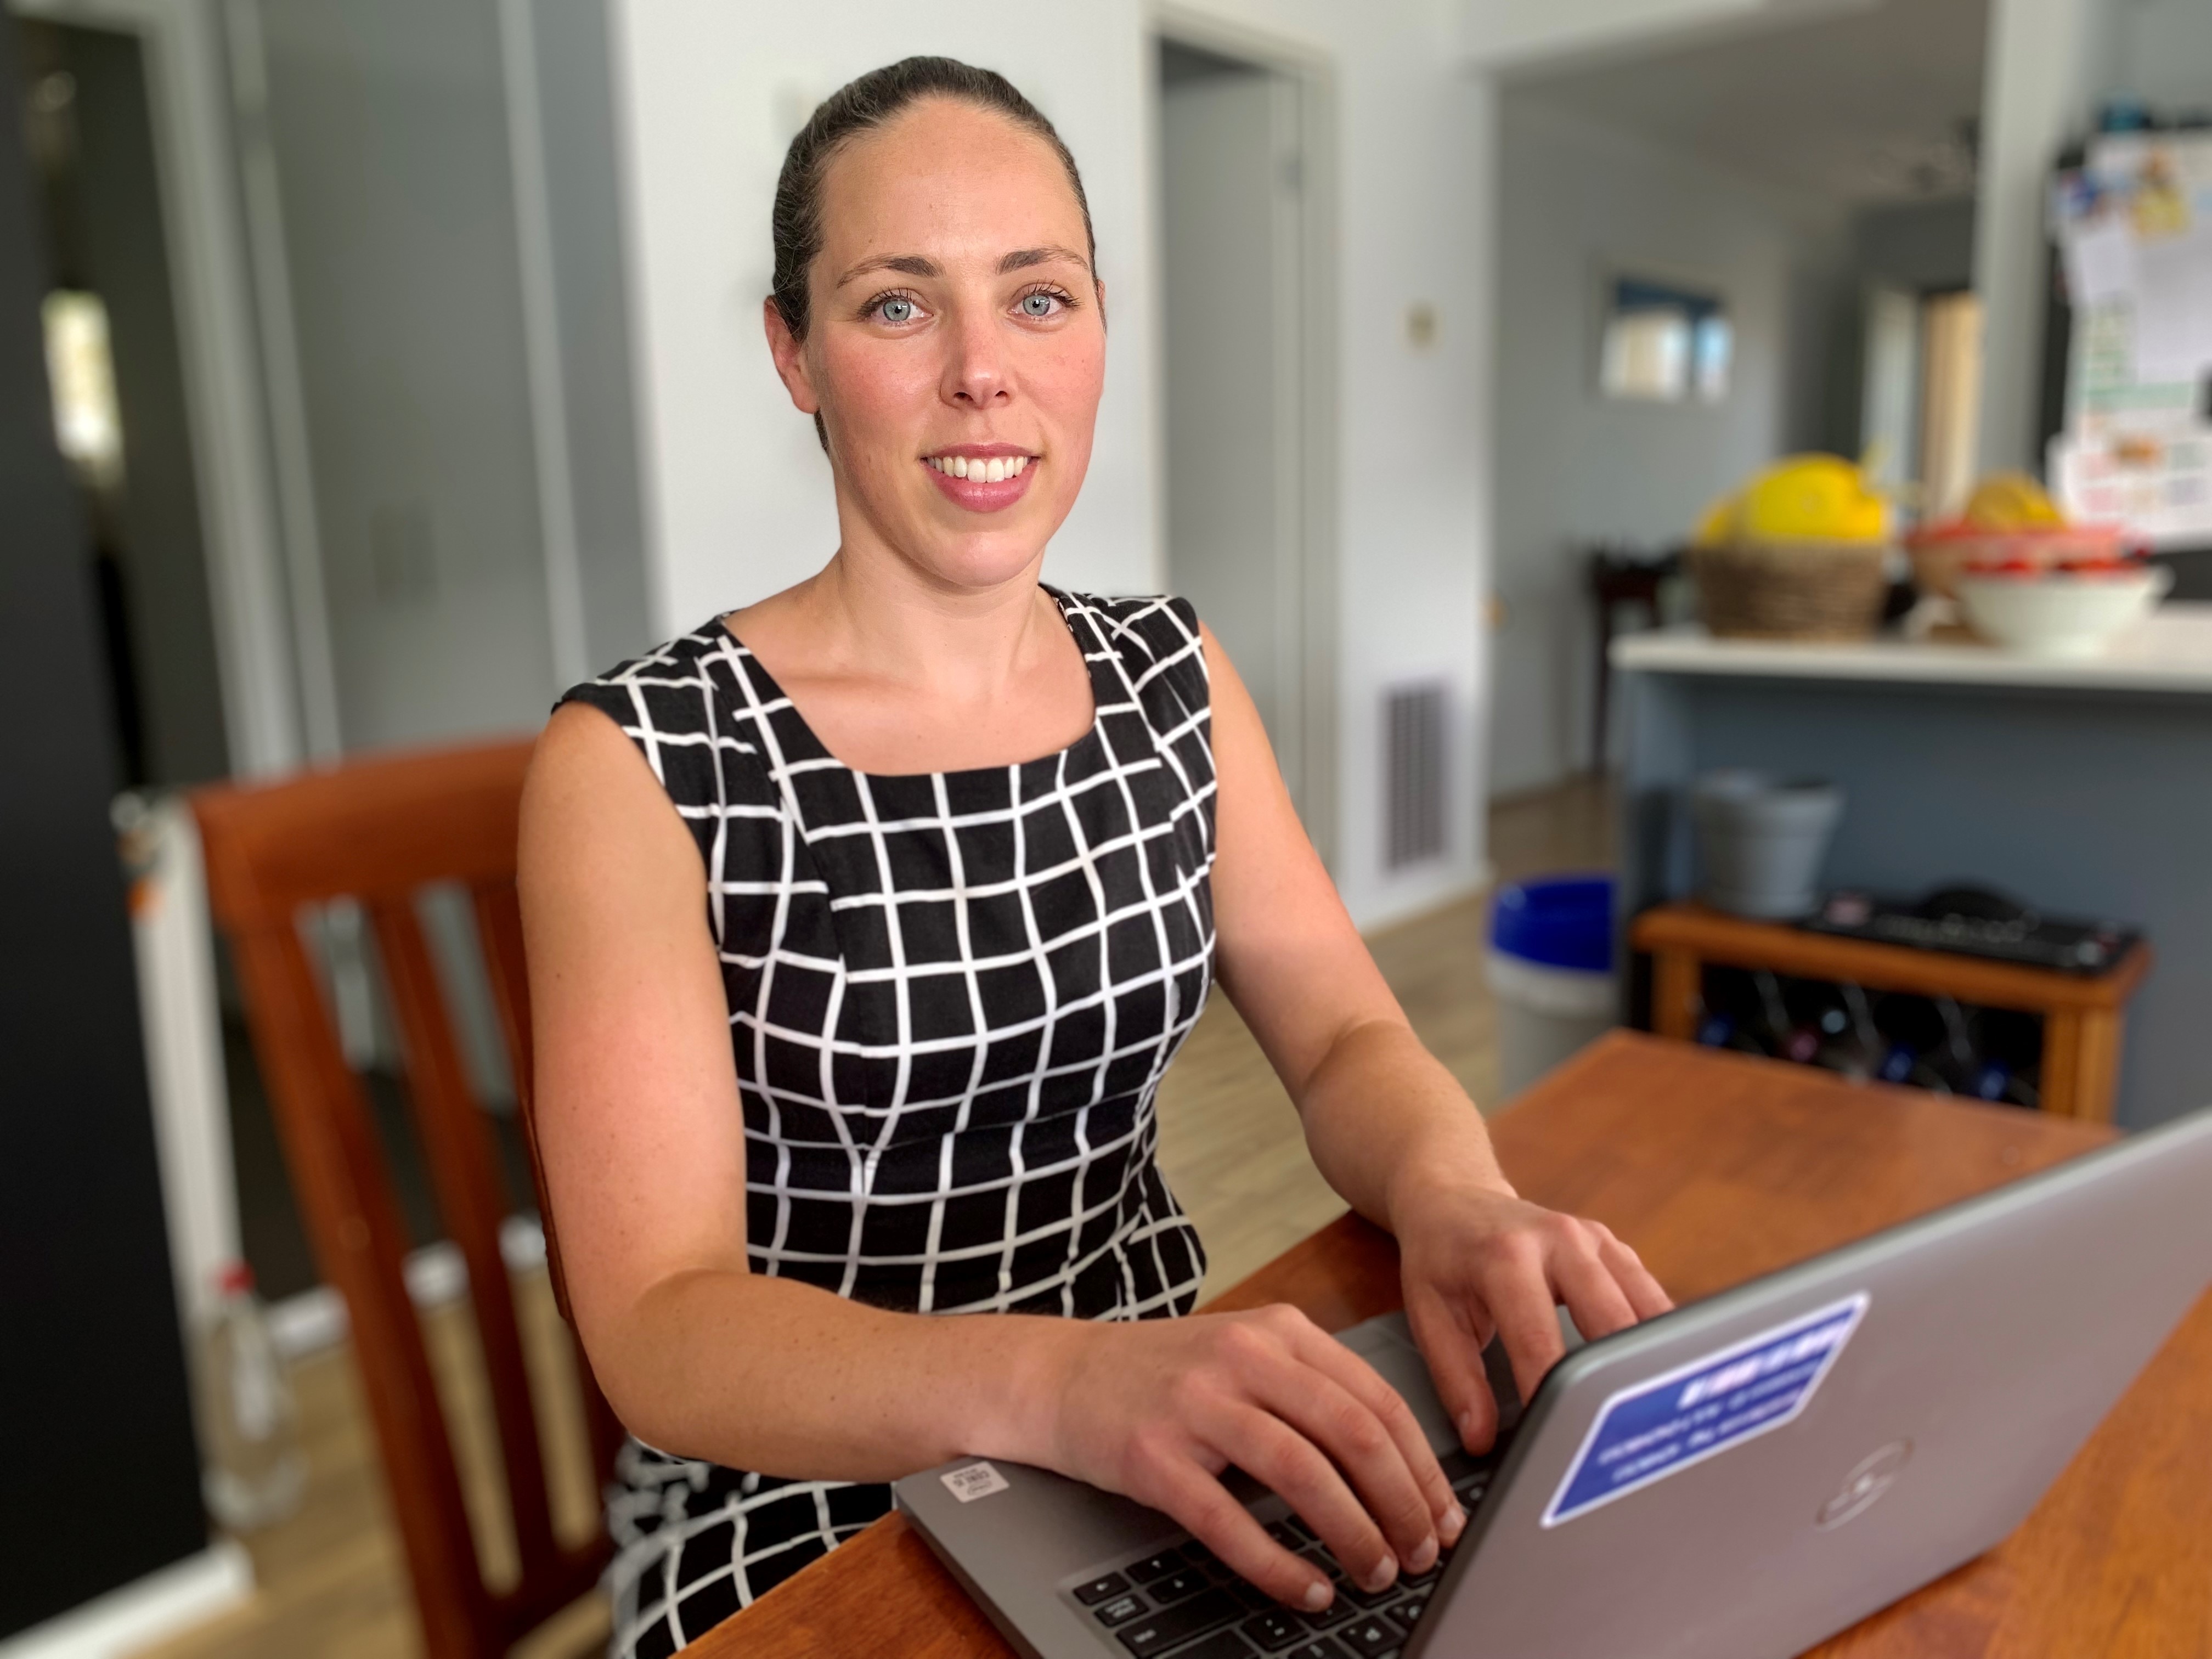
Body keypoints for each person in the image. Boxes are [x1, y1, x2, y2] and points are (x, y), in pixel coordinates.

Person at [518, 55, 1670, 1659]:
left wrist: (1453, 1196)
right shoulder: (639, 763)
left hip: (1162, 1422)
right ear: (795, 353)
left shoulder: (1170, 675)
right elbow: (659, 1326)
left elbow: (1344, 1033)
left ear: (1100, 332)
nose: (986, 373)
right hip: (801, 1505)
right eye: (899, 306)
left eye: (1040, 298)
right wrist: (1059, 1384)